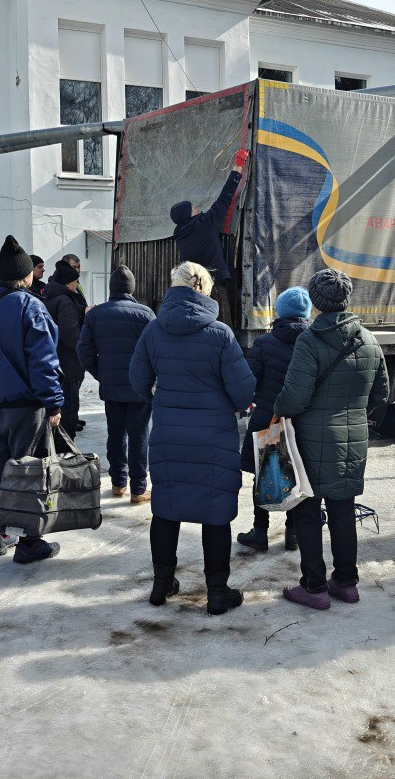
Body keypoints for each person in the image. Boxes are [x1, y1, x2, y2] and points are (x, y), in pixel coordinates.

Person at [129, 261, 256, 616]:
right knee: (216, 513)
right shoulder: (220, 334)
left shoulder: (154, 331)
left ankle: (161, 585)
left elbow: (137, 380)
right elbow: (243, 390)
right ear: (205, 288)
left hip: (169, 434)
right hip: (214, 438)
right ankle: (217, 592)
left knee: (166, 509)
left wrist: (161, 398)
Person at [273, 269, 388, 610]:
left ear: (316, 302)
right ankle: (346, 583)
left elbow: (294, 397)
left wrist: (277, 410)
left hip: (311, 439)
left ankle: (314, 587)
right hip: (354, 439)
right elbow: (381, 394)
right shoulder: (369, 339)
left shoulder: (310, 340)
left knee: (308, 513)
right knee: (342, 511)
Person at [0, 236, 65, 564]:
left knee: (1, 469)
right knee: (29, 471)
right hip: (25, 405)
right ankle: (30, 541)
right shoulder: (30, 306)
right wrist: (54, 402)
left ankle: (1, 531)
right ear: (26, 275)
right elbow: (43, 360)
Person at [235, 286, 311, 553]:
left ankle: (260, 532)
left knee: (263, 472)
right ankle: (293, 533)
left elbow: (250, 381)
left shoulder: (265, 343)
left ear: (280, 311)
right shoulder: (313, 342)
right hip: (302, 420)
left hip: (267, 417)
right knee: (298, 472)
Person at [77, 264, 155, 502]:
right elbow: (156, 351)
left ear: (111, 288)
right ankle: (138, 488)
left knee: (115, 434)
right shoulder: (146, 314)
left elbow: (83, 350)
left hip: (111, 387)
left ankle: (118, 483)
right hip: (140, 388)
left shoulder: (95, 315)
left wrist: (101, 373)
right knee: (139, 436)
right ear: (132, 289)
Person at [168, 149, 247, 325]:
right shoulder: (204, 223)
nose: (198, 208)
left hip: (193, 290)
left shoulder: (180, 236)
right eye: (194, 207)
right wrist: (238, 167)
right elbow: (225, 198)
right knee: (222, 328)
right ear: (189, 214)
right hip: (214, 286)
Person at [43, 259, 87, 439]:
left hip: (55, 360)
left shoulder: (51, 297)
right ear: (68, 284)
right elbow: (70, 334)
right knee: (69, 407)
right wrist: (84, 349)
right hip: (68, 363)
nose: (77, 285)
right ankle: (66, 445)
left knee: (61, 406)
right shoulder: (65, 301)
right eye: (76, 282)